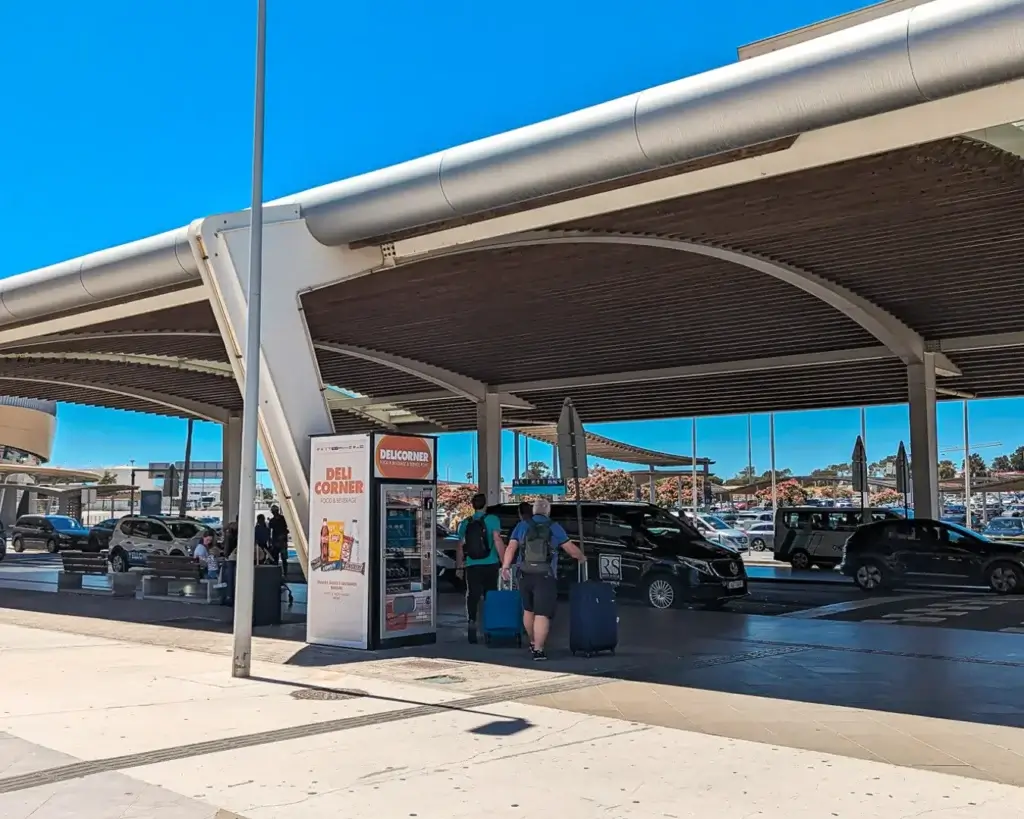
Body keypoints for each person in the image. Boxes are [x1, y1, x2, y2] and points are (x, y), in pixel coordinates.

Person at [501, 498, 585, 661]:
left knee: (528, 610)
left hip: (524, 573)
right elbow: (569, 548)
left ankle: (532, 641)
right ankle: (539, 650)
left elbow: (511, 547)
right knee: (542, 614)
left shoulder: (522, 525)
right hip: (545, 575)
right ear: (548, 511)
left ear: (533, 510)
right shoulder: (554, 526)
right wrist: (581, 557)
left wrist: (505, 566)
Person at [456, 493, 505, 644]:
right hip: (490, 563)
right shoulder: (493, 520)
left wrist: (459, 567)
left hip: (472, 564)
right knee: (490, 595)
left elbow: (460, 546)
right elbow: (497, 540)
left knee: (473, 595)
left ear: (472, 505)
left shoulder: (465, 523)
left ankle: (472, 622)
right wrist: (505, 562)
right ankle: (490, 628)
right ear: (485, 505)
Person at [268, 506, 294, 607]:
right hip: (277, 542)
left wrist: (282, 535)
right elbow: (271, 532)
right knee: (276, 559)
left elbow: (287, 529)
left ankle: (284, 573)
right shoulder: (274, 520)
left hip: (281, 542)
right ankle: (280, 573)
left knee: (283, 559)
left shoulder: (281, 519)